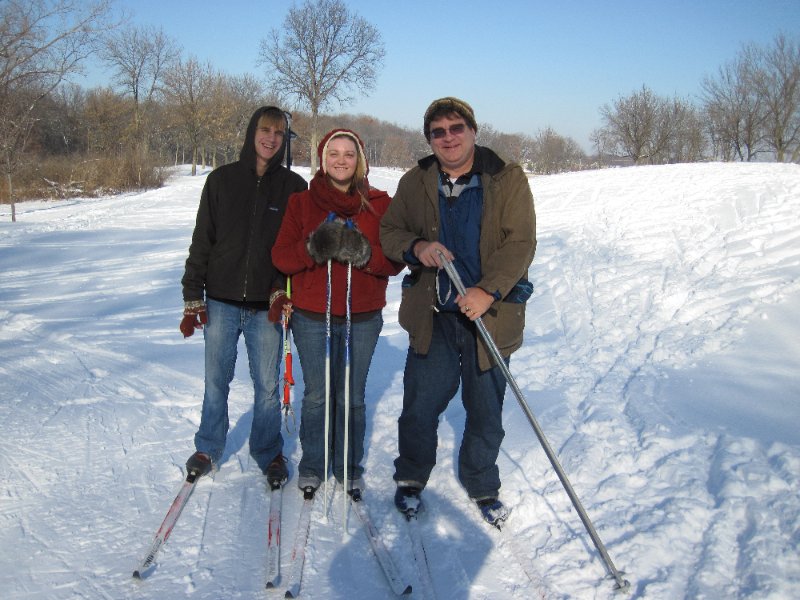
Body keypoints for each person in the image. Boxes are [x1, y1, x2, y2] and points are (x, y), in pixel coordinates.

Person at [379, 97, 536, 525]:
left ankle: (482, 482)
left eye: (456, 128)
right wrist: (417, 247)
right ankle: (411, 476)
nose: (448, 138)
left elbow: (521, 243)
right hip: (435, 314)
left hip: (490, 315)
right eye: (438, 132)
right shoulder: (416, 181)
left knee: (485, 408)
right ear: (430, 139)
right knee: (420, 404)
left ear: (473, 130)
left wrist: (488, 290)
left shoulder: (506, 179)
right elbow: (390, 230)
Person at [180, 106, 308, 487]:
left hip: (265, 308)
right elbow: (202, 239)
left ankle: (268, 450)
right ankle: (208, 447)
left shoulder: (293, 188)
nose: (271, 138)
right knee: (215, 380)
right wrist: (193, 295)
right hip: (220, 300)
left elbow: (295, 250)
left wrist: (282, 292)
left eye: (279, 133)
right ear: (252, 132)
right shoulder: (221, 180)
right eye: (265, 130)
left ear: (285, 140)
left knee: (267, 386)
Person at [272, 128, 402, 498]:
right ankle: (314, 463)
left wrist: (363, 254)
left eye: (349, 153)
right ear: (322, 158)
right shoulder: (301, 203)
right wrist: (315, 247)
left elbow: (394, 261)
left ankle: (347, 464)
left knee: (351, 396)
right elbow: (280, 256)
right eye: (334, 153)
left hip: (361, 316)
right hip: (314, 315)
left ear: (360, 159)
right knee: (317, 395)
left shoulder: (380, 203)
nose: (341, 160)